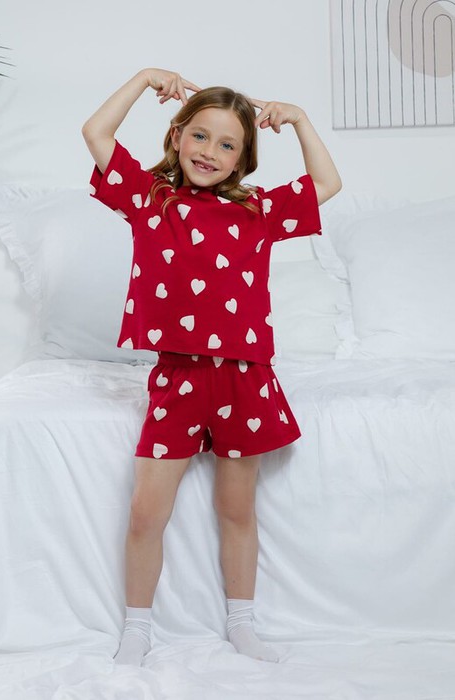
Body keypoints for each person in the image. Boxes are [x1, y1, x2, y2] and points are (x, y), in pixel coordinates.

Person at [82, 67, 341, 667]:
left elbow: (328, 182)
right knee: (147, 512)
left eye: (227, 144)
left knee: (236, 509)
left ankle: (242, 624)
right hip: (178, 377)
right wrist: (144, 79)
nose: (209, 152)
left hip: (244, 378)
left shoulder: (258, 210)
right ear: (177, 135)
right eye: (199, 136)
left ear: (242, 159)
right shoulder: (151, 198)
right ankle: (137, 629)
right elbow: (95, 133)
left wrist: (300, 119)